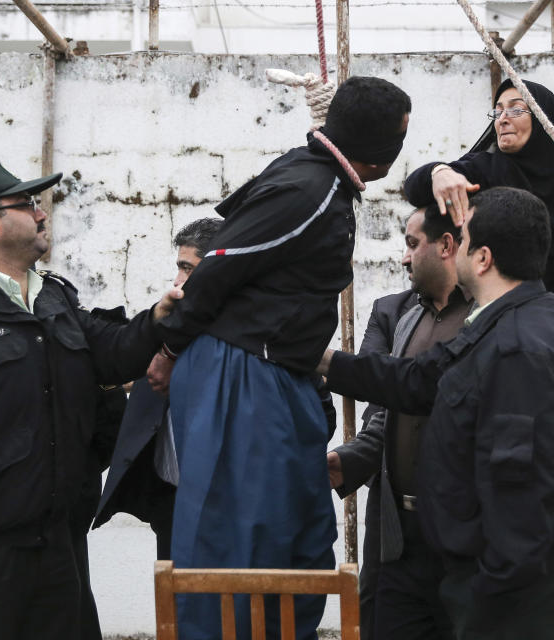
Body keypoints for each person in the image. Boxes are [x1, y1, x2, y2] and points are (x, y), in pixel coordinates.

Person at [157, 76, 412, 640]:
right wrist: (171, 347)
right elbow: (221, 261)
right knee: (241, 542)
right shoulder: (311, 188)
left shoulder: (322, 182)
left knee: (297, 536)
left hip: (276, 374)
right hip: (241, 373)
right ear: (378, 151)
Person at [0, 159, 178, 640]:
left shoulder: (54, 300)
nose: (42, 214)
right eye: (27, 204)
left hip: (58, 549)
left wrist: (161, 316)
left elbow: (115, 353)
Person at [319, 187, 554, 640]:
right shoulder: (505, 320)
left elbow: (519, 492)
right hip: (479, 574)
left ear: (481, 258)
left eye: (461, 242)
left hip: (503, 594)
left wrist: (489, 596)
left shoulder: (517, 347)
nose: (453, 250)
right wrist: (322, 361)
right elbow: (421, 380)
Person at [403, 78, 554, 495]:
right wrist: (440, 172)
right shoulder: (492, 171)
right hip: (500, 336)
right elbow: (420, 184)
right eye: (498, 110)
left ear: (545, 120)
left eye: (517, 108)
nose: (504, 119)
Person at [328, 204, 472, 640]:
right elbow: (387, 409)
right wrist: (347, 461)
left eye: (412, 244)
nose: (403, 257)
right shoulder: (405, 317)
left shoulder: (489, 319)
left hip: (462, 538)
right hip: (397, 533)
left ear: (447, 246)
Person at [93, 217, 223, 561]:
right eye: (178, 267)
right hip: (171, 505)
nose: (178, 280)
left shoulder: (256, 335)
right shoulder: (160, 328)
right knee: (176, 608)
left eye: (187, 268)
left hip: (229, 509)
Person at [340, 285, 416, 640]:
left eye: (414, 245)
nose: (405, 258)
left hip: (437, 483)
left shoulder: (481, 311)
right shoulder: (391, 309)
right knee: (373, 589)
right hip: (385, 471)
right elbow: (373, 379)